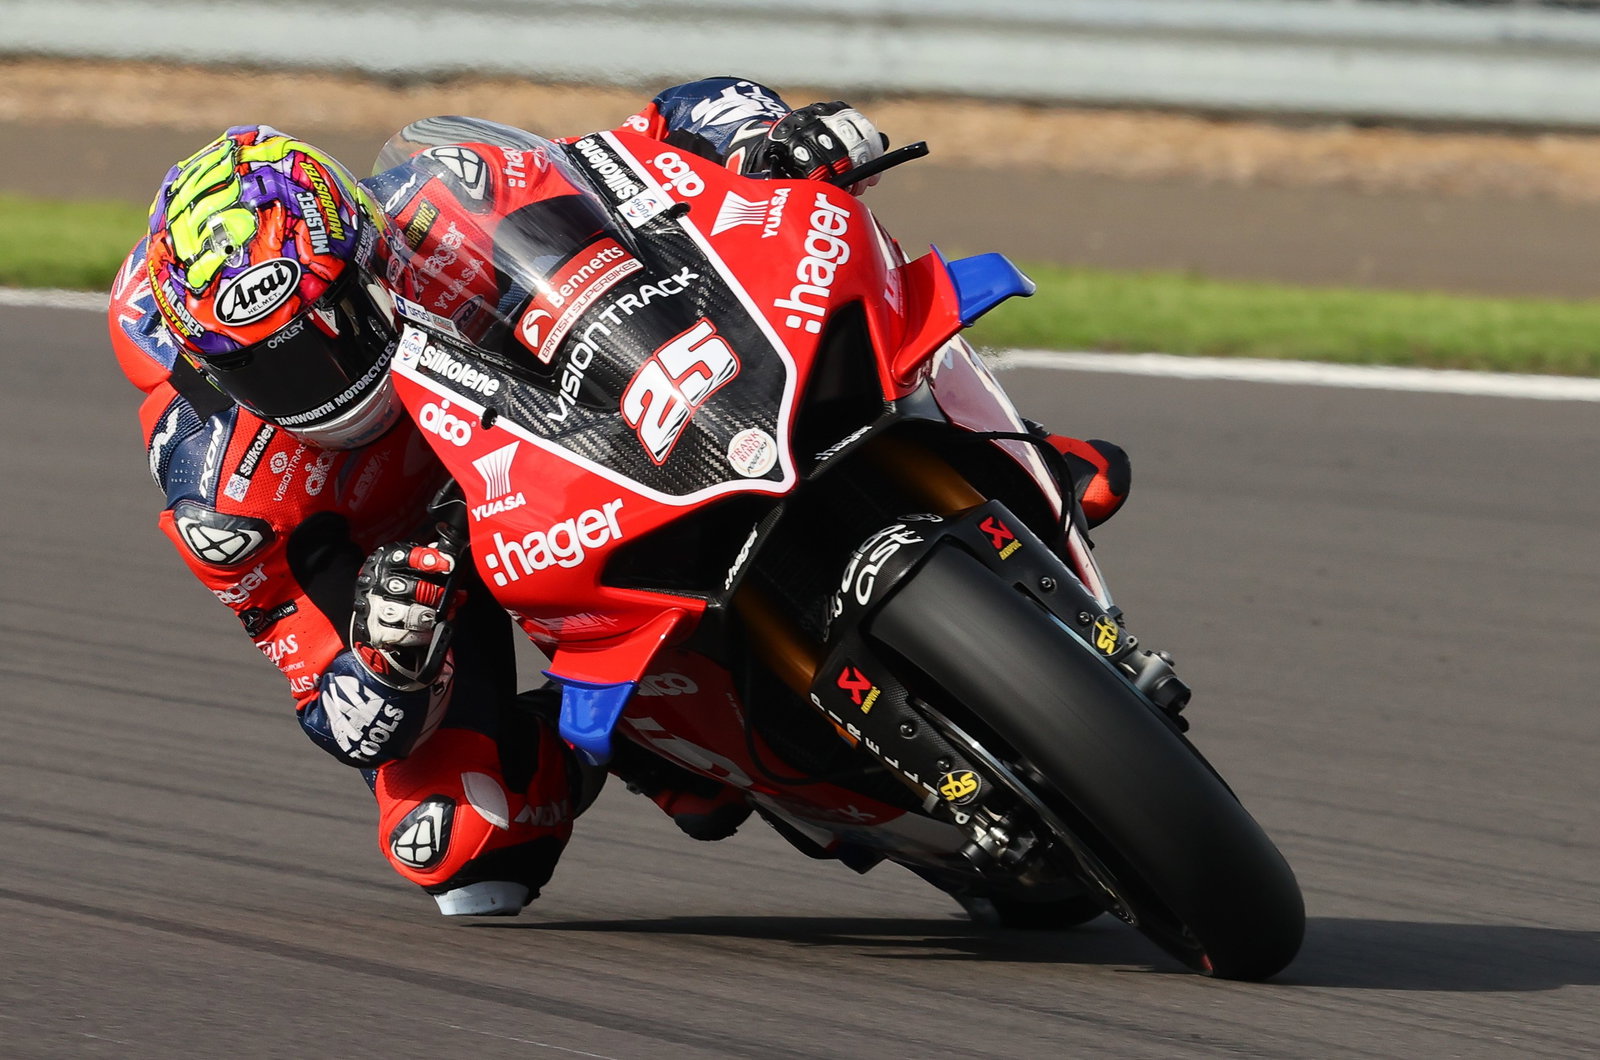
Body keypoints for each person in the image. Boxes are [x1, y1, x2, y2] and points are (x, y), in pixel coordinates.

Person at [108, 77, 1131, 919]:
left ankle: (1011, 453)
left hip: (566, 423)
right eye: (268, 369)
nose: (320, 378)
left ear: (366, 255)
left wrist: (765, 132)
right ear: (208, 365)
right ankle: (642, 739)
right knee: (460, 838)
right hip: (433, 553)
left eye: (331, 324)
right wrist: (387, 650)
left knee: (833, 262)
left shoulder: (439, 204)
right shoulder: (226, 493)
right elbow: (340, 714)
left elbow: (646, 143)